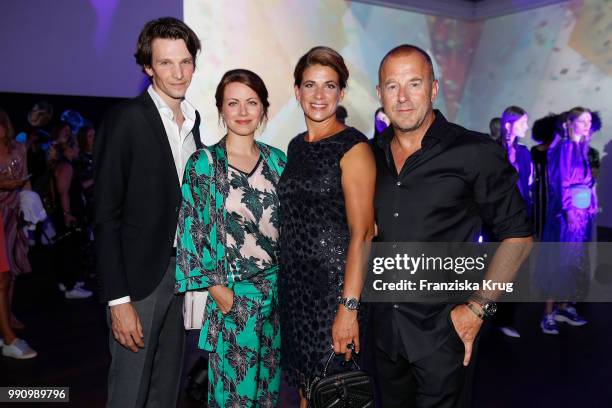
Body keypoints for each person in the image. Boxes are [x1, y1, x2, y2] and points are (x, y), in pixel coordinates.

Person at [369, 44, 532, 408]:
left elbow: (518, 236)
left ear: (434, 88)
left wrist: (478, 308)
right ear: (379, 94)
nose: (403, 97)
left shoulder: (473, 151)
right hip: (384, 332)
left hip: (443, 333)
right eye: (392, 86)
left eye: (414, 83)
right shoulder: (370, 154)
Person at [94, 17, 203, 407]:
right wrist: (118, 300)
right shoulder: (126, 120)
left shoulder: (194, 122)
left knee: (165, 390)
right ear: (147, 66)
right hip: (138, 282)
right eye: (166, 63)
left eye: (185, 61)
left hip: (182, 275)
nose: (178, 72)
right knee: (129, 391)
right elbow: (105, 216)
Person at [176, 69, 286, 407]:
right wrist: (220, 294)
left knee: (267, 393)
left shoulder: (278, 162)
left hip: (276, 297)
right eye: (233, 103)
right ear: (221, 109)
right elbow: (190, 233)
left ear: (264, 109)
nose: (242, 111)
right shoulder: (204, 163)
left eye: (251, 102)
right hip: (234, 298)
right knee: (233, 398)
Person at [277, 46, 376, 408]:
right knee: (310, 390)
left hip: (333, 292)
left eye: (329, 86)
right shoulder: (296, 145)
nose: (319, 95)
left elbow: (363, 234)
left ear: (342, 93)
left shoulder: (354, 148)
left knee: (336, 391)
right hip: (298, 292)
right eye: (310, 85)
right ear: (297, 91)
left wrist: (348, 308)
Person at [538, 107, 595, 335]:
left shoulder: (581, 148)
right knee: (559, 260)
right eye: (582, 121)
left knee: (574, 260)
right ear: (570, 123)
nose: (587, 125)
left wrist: (587, 207)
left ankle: (563, 307)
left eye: (589, 121)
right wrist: (569, 208)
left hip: (581, 216)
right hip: (566, 215)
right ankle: (548, 313)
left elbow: (587, 182)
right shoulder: (563, 148)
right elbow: (558, 181)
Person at [495, 105, 534, 338]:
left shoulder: (524, 152)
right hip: (496, 221)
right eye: (523, 122)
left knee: (514, 271)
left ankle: (505, 319)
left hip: (518, 218)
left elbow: (526, 185)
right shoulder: (493, 150)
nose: (527, 127)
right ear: (510, 124)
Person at [0, 108, 35, 355]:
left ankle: (7, 316)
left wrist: (29, 206)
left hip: (12, 211)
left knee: (10, 269)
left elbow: (25, 178)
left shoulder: (17, 148)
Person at [48, 137, 92, 299]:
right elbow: (63, 192)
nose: (79, 151)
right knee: (70, 249)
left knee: (67, 247)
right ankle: (70, 286)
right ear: (69, 149)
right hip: (68, 213)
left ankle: (66, 282)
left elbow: (74, 188)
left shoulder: (64, 164)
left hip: (67, 212)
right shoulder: (66, 166)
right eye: (76, 148)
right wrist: (67, 214)